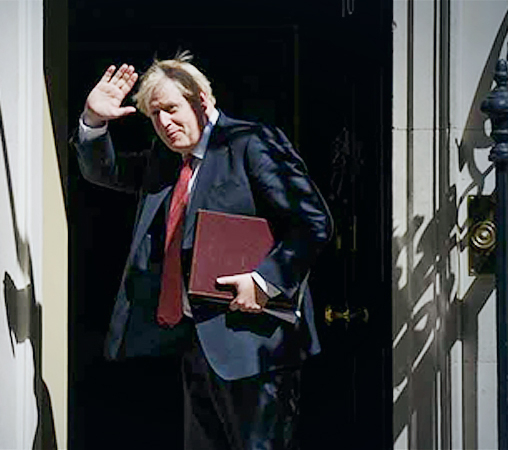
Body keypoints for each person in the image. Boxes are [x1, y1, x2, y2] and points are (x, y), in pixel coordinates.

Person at [74, 51, 332, 450]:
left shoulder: (250, 142)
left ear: (202, 100)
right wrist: (94, 121)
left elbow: (312, 222)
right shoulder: (167, 162)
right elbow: (103, 172)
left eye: (172, 109)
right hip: (197, 347)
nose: (164, 123)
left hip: (256, 348)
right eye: (155, 114)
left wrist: (265, 282)